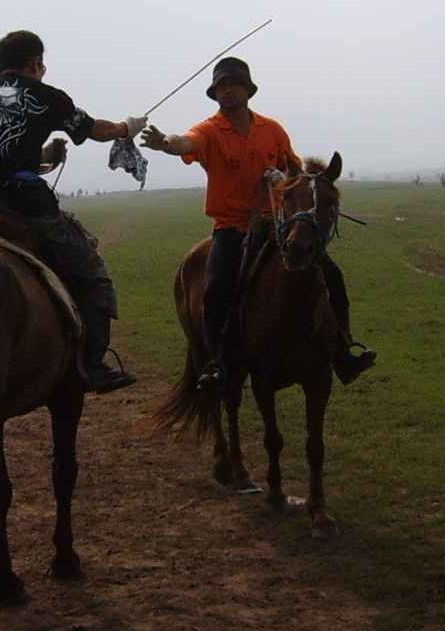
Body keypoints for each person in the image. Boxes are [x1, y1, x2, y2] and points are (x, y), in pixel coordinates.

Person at [139, 56, 375, 391]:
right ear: (215, 93)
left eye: (234, 85)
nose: (228, 91)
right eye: (222, 86)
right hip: (232, 228)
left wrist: (292, 179)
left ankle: (343, 352)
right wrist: (166, 142)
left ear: (248, 90)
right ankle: (217, 363)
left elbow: (296, 169)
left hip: (276, 225)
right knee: (218, 286)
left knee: (332, 276)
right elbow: (185, 143)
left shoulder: (272, 130)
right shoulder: (210, 130)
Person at [0, 29, 146, 394]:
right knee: (92, 275)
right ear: (35, 63)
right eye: (42, 65)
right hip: (22, 203)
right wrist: (126, 128)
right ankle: (93, 365)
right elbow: (94, 129)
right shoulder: (47, 95)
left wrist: (46, 156)